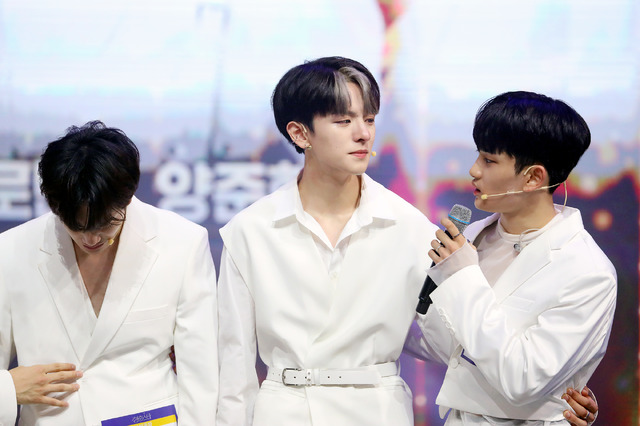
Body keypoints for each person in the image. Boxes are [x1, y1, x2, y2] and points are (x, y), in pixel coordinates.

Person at [216, 58, 596, 426]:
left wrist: (553, 398)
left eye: (369, 119)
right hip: (283, 410)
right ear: (300, 134)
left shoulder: (410, 227)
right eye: (344, 121)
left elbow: (452, 343)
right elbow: (234, 365)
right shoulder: (250, 230)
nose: (363, 133)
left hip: (376, 410)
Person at [0, 121, 218, 425]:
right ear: (53, 204)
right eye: (76, 226)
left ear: (127, 196)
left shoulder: (183, 242)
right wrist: (8, 389)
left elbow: (201, 372)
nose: (91, 239)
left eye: (105, 224)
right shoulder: (11, 250)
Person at [418, 91, 616, 425]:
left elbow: (523, 380)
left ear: (534, 177)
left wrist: (464, 277)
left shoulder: (588, 271)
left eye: (489, 160)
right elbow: (444, 345)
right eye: (478, 156)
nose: (473, 170)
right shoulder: (471, 237)